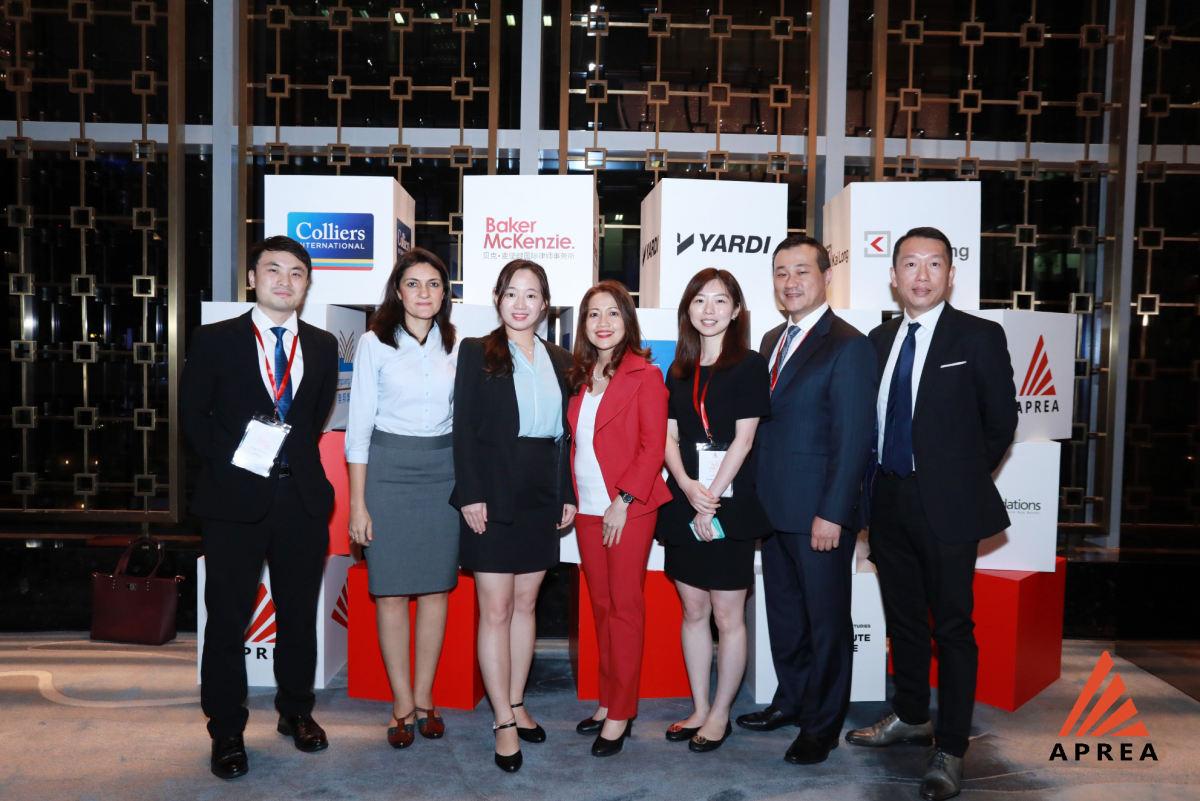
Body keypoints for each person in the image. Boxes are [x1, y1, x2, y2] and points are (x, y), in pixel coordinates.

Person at [845, 227, 1017, 801]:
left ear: (950, 274)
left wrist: (955, 480)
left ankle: (951, 746)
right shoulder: (878, 340)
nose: (922, 275)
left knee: (953, 627)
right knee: (903, 620)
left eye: (934, 264)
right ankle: (911, 713)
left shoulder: (979, 336)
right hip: (887, 499)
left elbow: (1000, 423)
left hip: (946, 505)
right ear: (894, 276)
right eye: (911, 264)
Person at [181, 235, 338, 780]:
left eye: (296, 273)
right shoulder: (214, 339)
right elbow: (194, 417)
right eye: (273, 270)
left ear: (306, 284)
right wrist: (236, 465)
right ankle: (226, 728)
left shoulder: (321, 345)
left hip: (301, 500)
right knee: (227, 619)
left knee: (298, 615)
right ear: (252, 278)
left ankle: (296, 711)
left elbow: (312, 419)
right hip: (232, 502)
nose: (284, 281)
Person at [734, 235, 877, 766]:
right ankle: (790, 701)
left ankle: (822, 725)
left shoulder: (849, 345)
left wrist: (833, 513)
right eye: (781, 273)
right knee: (786, 617)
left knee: (827, 623)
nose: (790, 282)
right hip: (772, 511)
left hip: (819, 514)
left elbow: (853, 438)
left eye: (801, 271)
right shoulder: (771, 338)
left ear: (826, 277)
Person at [451, 259, 577, 773]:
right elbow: (463, 428)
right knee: (496, 607)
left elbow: (565, 436)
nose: (520, 304)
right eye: (511, 293)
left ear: (544, 304)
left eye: (531, 294)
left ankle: (518, 701)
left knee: (527, 604)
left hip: (542, 490)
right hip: (492, 491)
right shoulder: (477, 351)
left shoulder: (562, 359)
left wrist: (566, 493)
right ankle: (502, 718)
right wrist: (470, 494)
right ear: (498, 299)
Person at [345, 247, 459, 749]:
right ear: (398, 290)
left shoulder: (457, 345)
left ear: (445, 293)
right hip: (388, 473)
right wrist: (358, 504)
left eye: (433, 284)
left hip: (443, 473)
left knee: (436, 590)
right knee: (389, 592)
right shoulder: (374, 344)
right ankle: (401, 704)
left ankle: (427, 697)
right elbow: (358, 430)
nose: (423, 293)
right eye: (413, 283)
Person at [657, 269, 771, 753]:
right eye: (700, 300)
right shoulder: (679, 369)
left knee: (728, 614)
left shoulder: (749, 365)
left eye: (720, 300)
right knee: (693, 610)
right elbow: (668, 437)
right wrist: (687, 487)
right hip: (685, 501)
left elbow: (744, 441)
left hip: (732, 503)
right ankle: (700, 707)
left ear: (736, 309)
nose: (709, 310)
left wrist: (712, 499)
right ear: (688, 309)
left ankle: (721, 713)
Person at [565, 280, 671, 758]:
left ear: (627, 320)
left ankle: (622, 712)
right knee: (602, 608)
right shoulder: (581, 377)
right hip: (587, 508)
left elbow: (653, 447)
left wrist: (622, 500)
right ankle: (609, 700)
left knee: (625, 608)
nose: (603, 323)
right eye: (593, 314)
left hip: (627, 509)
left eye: (612, 313)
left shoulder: (645, 375)